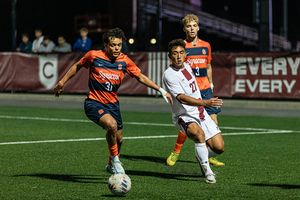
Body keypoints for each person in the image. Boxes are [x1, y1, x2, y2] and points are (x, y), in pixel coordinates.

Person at [54, 28, 172, 174]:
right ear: (106, 45)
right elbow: (77, 66)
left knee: (119, 139)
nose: (116, 48)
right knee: (111, 125)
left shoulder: (124, 60)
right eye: (113, 45)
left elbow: (140, 77)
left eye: (119, 45)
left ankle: (111, 164)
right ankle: (116, 160)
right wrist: (62, 82)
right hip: (93, 102)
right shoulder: (93, 56)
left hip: (113, 104)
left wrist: (160, 90)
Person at [163, 39, 224, 184]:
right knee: (199, 134)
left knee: (219, 148)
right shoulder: (169, 74)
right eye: (175, 53)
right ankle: (207, 171)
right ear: (169, 56)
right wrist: (205, 102)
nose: (178, 56)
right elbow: (182, 98)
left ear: (185, 54)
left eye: (181, 53)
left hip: (200, 112)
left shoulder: (188, 66)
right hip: (184, 115)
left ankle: (201, 155)